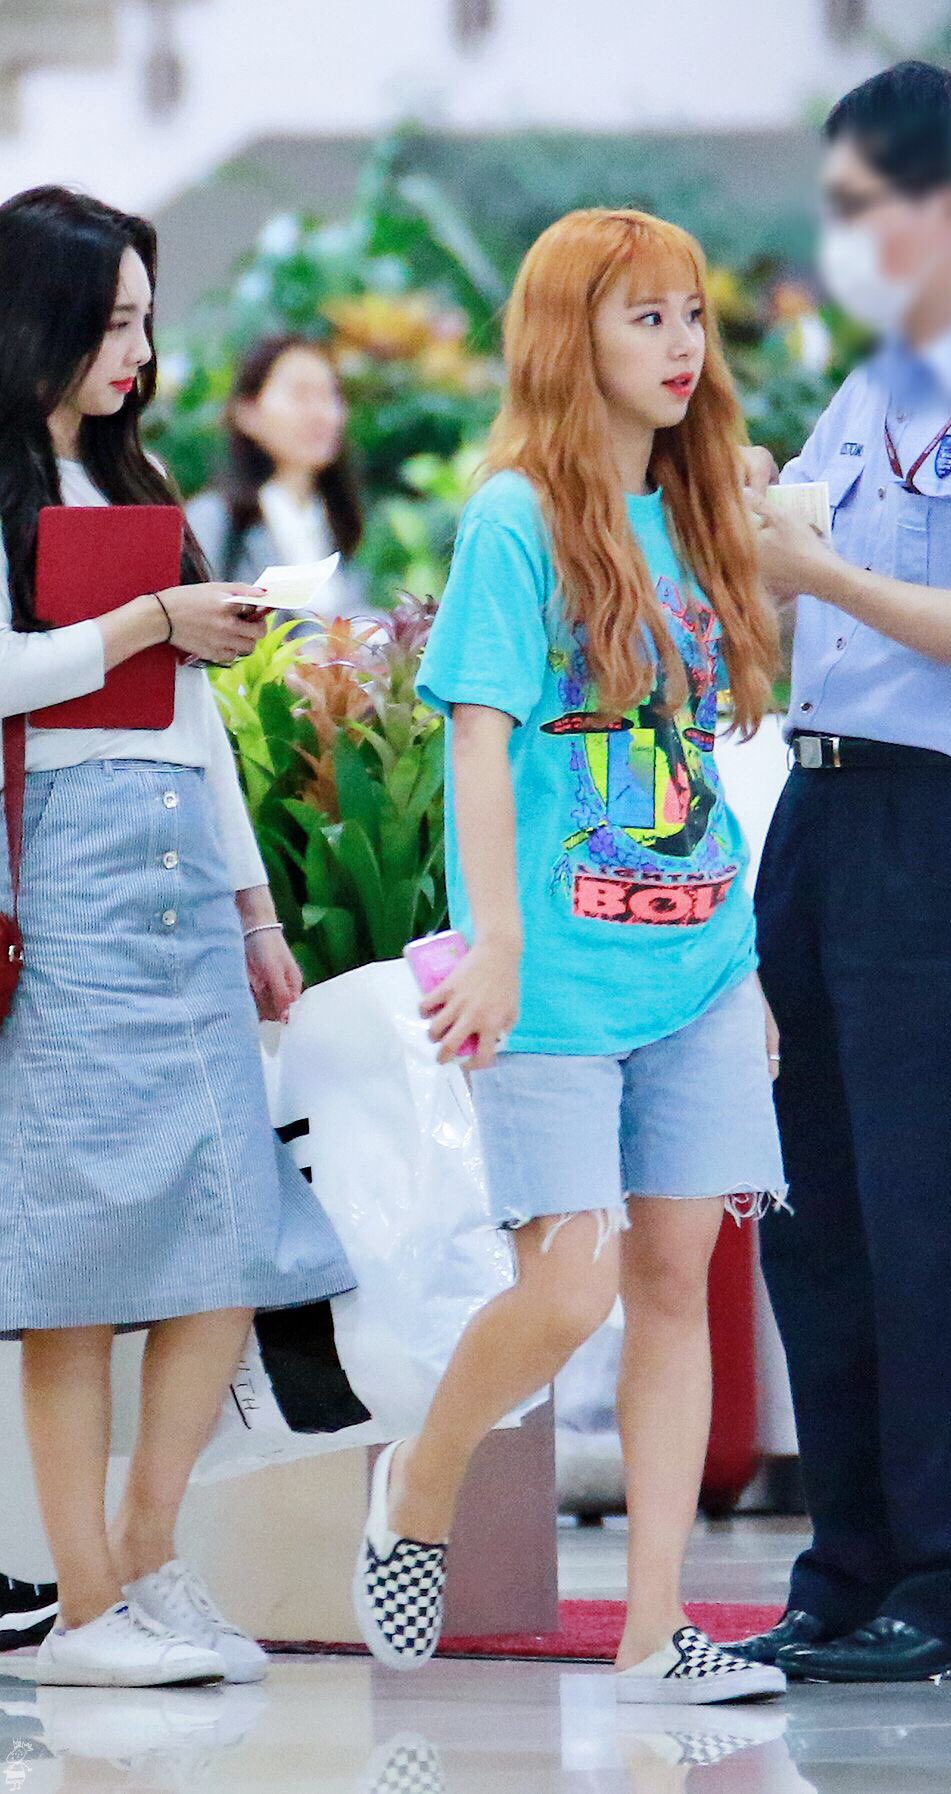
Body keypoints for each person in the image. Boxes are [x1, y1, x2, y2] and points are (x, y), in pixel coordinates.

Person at [352, 208, 787, 1705]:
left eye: (691, 314)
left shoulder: (699, 509)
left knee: (674, 1279)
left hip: (702, 963)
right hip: (553, 976)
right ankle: (423, 1473)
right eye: (644, 318)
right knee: (567, 1291)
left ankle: (659, 1630)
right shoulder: (514, 518)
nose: (682, 346)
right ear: (569, 337)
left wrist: (747, 970)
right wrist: (498, 942)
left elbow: (701, 759)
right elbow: (478, 740)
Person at [0, 187, 356, 1689]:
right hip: (61, 879)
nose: (137, 352)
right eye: (113, 323)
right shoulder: (11, 489)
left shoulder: (137, 482)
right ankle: (84, 1608)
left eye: (146, 321)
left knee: (229, 1232)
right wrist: (152, 618)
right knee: (76, 1265)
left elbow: (196, 722)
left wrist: (255, 907)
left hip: (180, 872)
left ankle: (150, 1552)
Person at [732, 61, 951, 1683]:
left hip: (943, 827)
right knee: (810, 1209)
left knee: (928, 1214)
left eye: (866, 200)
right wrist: (744, 552)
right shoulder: (867, 389)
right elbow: (784, 612)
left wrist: (818, 569)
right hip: (813, 816)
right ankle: (845, 1562)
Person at [186, 333, 375, 630]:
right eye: (300, 395)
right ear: (247, 412)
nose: (320, 413)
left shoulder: (337, 518)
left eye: (329, 395)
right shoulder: (215, 519)